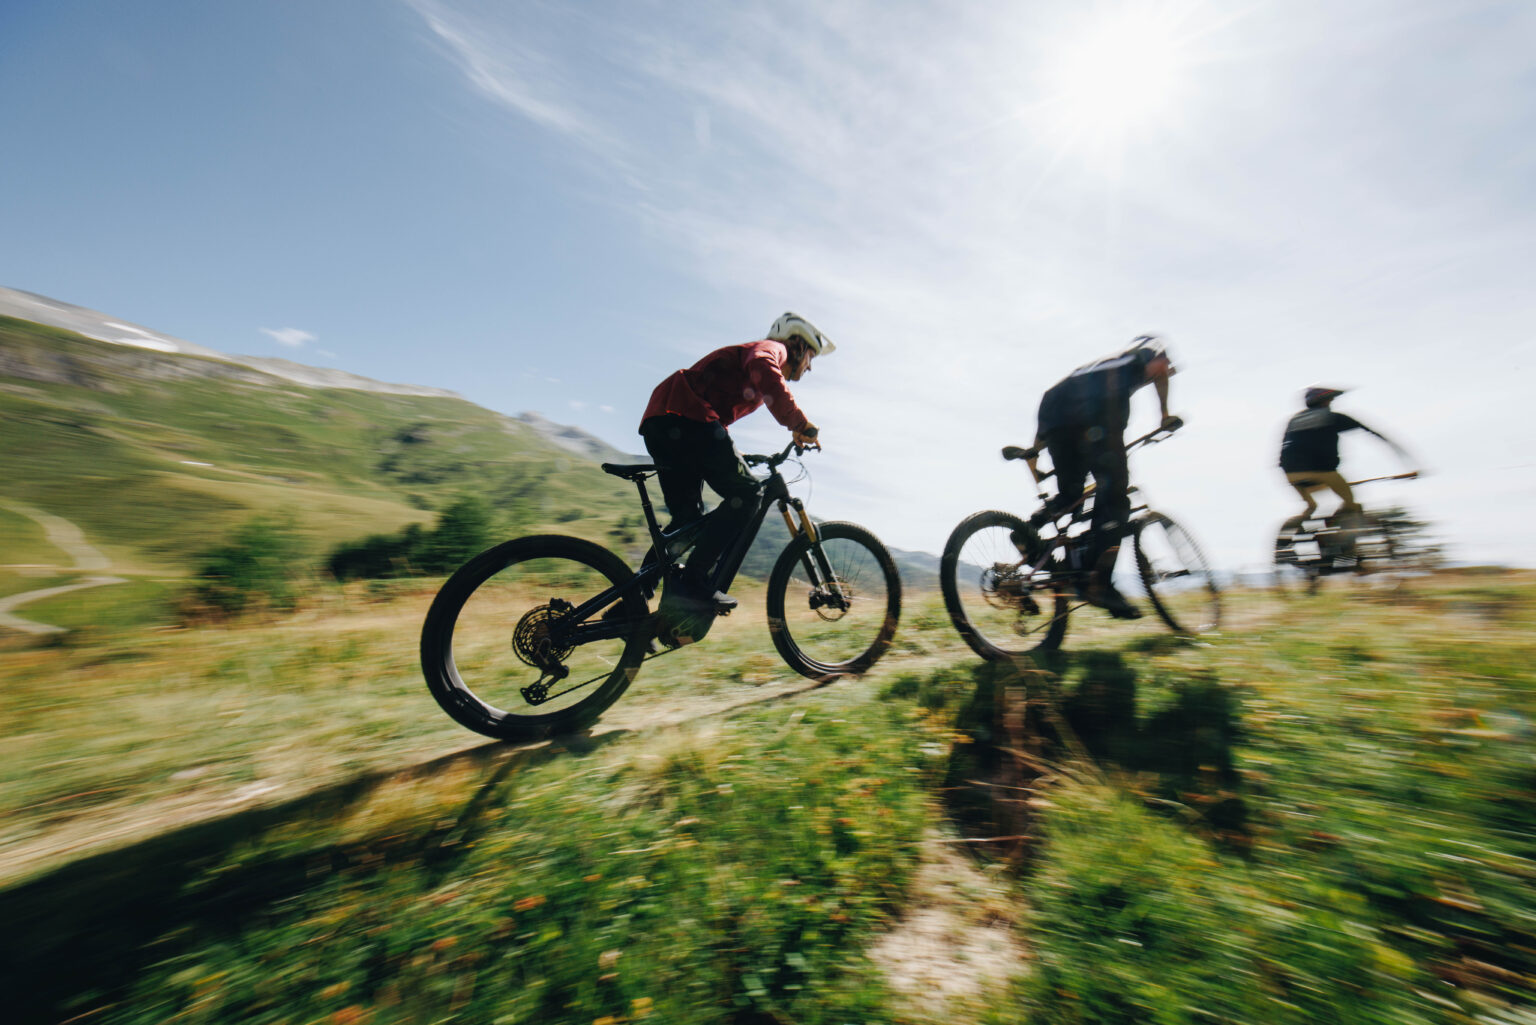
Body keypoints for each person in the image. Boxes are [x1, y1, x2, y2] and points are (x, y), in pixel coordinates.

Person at [637, 312, 831, 612]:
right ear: (796, 344)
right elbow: (763, 369)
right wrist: (799, 423)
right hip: (685, 418)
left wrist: (740, 455)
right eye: (810, 356)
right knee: (750, 493)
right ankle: (694, 582)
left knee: (687, 521)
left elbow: (714, 423)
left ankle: (632, 603)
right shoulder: (772, 350)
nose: (810, 367)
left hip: (664, 421)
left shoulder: (754, 359)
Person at [1024, 334, 1180, 619]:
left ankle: (1025, 536)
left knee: (1071, 495)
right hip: (1096, 410)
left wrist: (1035, 449)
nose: (1166, 369)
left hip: (1053, 408)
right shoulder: (1147, 351)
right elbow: (1160, 369)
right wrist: (1165, 414)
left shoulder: (1101, 364)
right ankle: (1098, 583)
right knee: (1115, 498)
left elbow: (1054, 410)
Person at [1278, 385, 1413, 529]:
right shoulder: (1331, 417)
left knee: (1312, 506)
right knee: (1350, 504)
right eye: (1329, 401)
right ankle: (1336, 539)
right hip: (1322, 471)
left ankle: (1296, 532)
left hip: (1291, 474)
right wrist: (1399, 451)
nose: (1330, 404)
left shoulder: (1294, 420)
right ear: (1324, 402)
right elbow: (1370, 431)